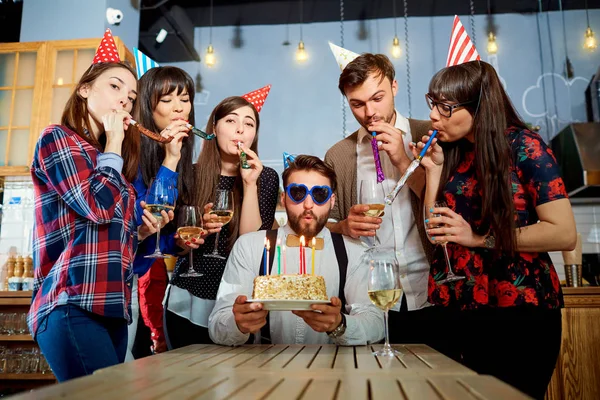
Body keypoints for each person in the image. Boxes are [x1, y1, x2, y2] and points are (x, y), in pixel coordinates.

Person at [414, 59, 576, 399]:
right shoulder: (454, 154)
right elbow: (436, 232)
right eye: (434, 104)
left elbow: (563, 233)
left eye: (446, 107)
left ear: (479, 106)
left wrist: (478, 238)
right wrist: (432, 171)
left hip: (518, 312)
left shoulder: (525, 148)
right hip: (459, 311)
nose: (433, 116)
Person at [27, 30, 158, 382]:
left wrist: (141, 232)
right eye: (115, 87)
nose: (124, 102)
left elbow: (114, 243)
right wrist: (115, 140)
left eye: (130, 98)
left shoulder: (112, 165)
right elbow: (95, 207)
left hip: (113, 310)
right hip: (71, 302)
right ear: (85, 89)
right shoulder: (58, 139)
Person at [208, 155, 384, 346]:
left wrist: (340, 325)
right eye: (298, 193)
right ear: (283, 199)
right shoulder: (249, 247)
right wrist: (238, 324)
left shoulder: (354, 252)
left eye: (319, 194)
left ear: (332, 201)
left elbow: (376, 323)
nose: (308, 205)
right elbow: (217, 326)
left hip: (334, 369)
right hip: (266, 369)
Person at [324, 47, 435, 344]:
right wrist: (342, 226)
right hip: (372, 297)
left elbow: (447, 206)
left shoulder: (430, 134)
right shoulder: (339, 155)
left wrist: (403, 161)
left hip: (433, 292)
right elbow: (326, 224)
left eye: (377, 98)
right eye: (357, 104)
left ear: (394, 86)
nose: (370, 113)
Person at [165, 89, 280, 348]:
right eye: (231, 121)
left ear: (253, 135)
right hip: (189, 297)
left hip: (237, 301)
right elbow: (178, 247)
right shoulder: (190, 175)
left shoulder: (267, 177)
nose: (240, 129)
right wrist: (196, 233)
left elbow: (250, 242)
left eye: (248, 124)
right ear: (214, 128)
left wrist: (250, 184)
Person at [128, 65, 200, 358]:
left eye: (184, 98)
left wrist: (180, 243)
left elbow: (159, 234)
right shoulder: (129, 151)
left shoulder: (177, 153)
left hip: (132, 278)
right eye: (167, 100)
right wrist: (171, 157)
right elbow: (146, 217)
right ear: (148, 105)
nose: (178, 108)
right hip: (113, 279)